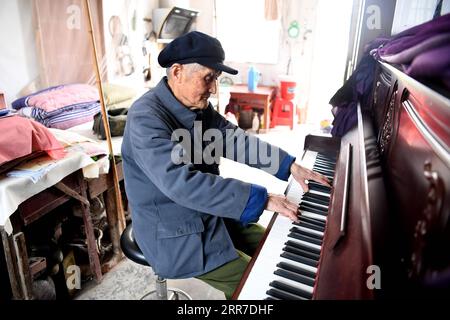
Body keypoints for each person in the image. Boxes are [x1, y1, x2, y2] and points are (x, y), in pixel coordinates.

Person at [121, 31, 330, 299]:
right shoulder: (145, 118)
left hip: (209, 214)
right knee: (257, 287)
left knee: (280, 246)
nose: (213, 89)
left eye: (216, 80)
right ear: (177, 72)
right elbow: (182, 184)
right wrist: (262, 199)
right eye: (208, 78)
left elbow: (232, 138)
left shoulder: (195, 107)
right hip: (173, 231)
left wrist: (289, 165)